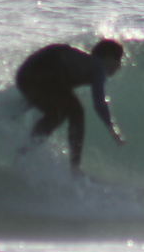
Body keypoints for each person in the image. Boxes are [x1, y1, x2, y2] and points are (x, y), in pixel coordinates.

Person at [15, 39, 125, 169]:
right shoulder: (97, 66)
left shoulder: (81, 62)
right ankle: (74, 168)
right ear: (109, 58)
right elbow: (99, 103)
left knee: (57, 113)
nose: (119, 66)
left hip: (24, 76)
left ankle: (25, 151)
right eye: (118, 61)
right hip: (43, 70)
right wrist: (111, 127)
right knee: (76, 112)